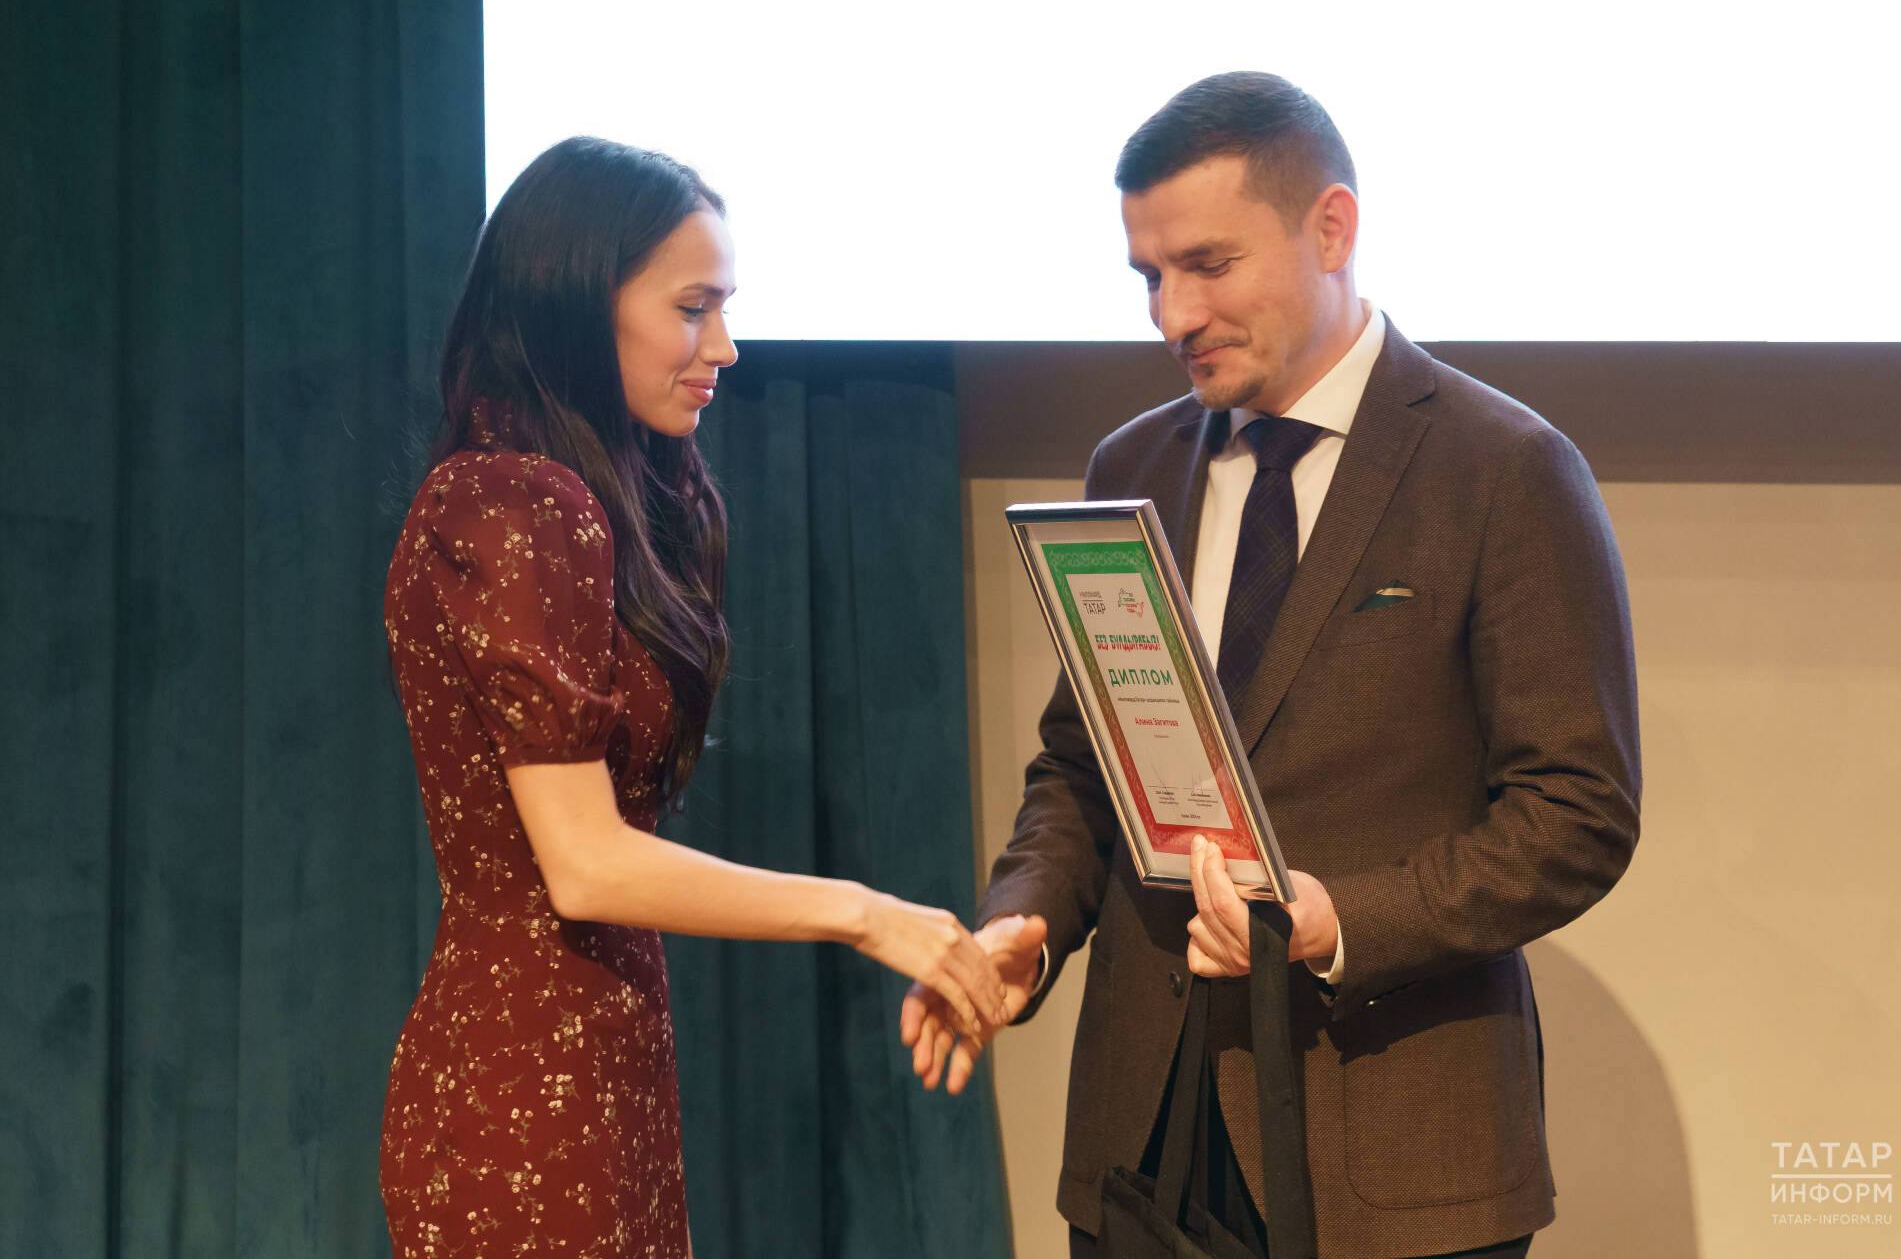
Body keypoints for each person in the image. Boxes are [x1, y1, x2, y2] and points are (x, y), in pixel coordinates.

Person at [901, 72, 1640, 1258]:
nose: (1172, 315)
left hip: (1393, 1153)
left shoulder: (1505, 468)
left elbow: (1578, 812)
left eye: (1208, 264)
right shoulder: (1132, 465)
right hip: (1145, 1132)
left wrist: (1342, 920)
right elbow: (1082, 767)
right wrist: (1024, 915)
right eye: (1149, 276)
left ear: (1331, 228)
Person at [379, 136, 1009, 1258]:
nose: (723, 345)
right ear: (582, 302)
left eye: (724, 308)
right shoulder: (521, 501)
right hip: (526, 1085)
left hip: (592, 1052)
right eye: (692, 307)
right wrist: (870, 913)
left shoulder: (579, 494)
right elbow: (585, 863)